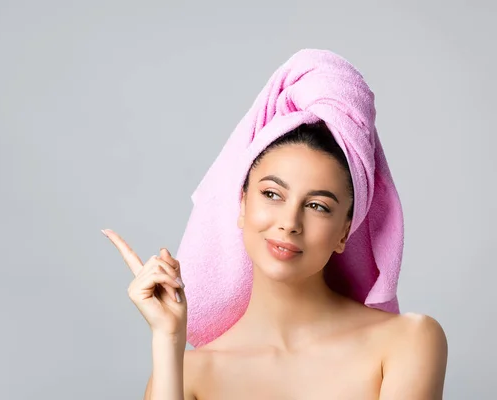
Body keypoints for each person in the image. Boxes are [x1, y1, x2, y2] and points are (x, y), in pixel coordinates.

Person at [103, 54, 448, 399]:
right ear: (241, 204)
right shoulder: (190, 374)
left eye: (317, 206)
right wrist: (167, 339)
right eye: (272, 194)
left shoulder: (409, 341)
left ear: (345, 231)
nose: (289, 223)